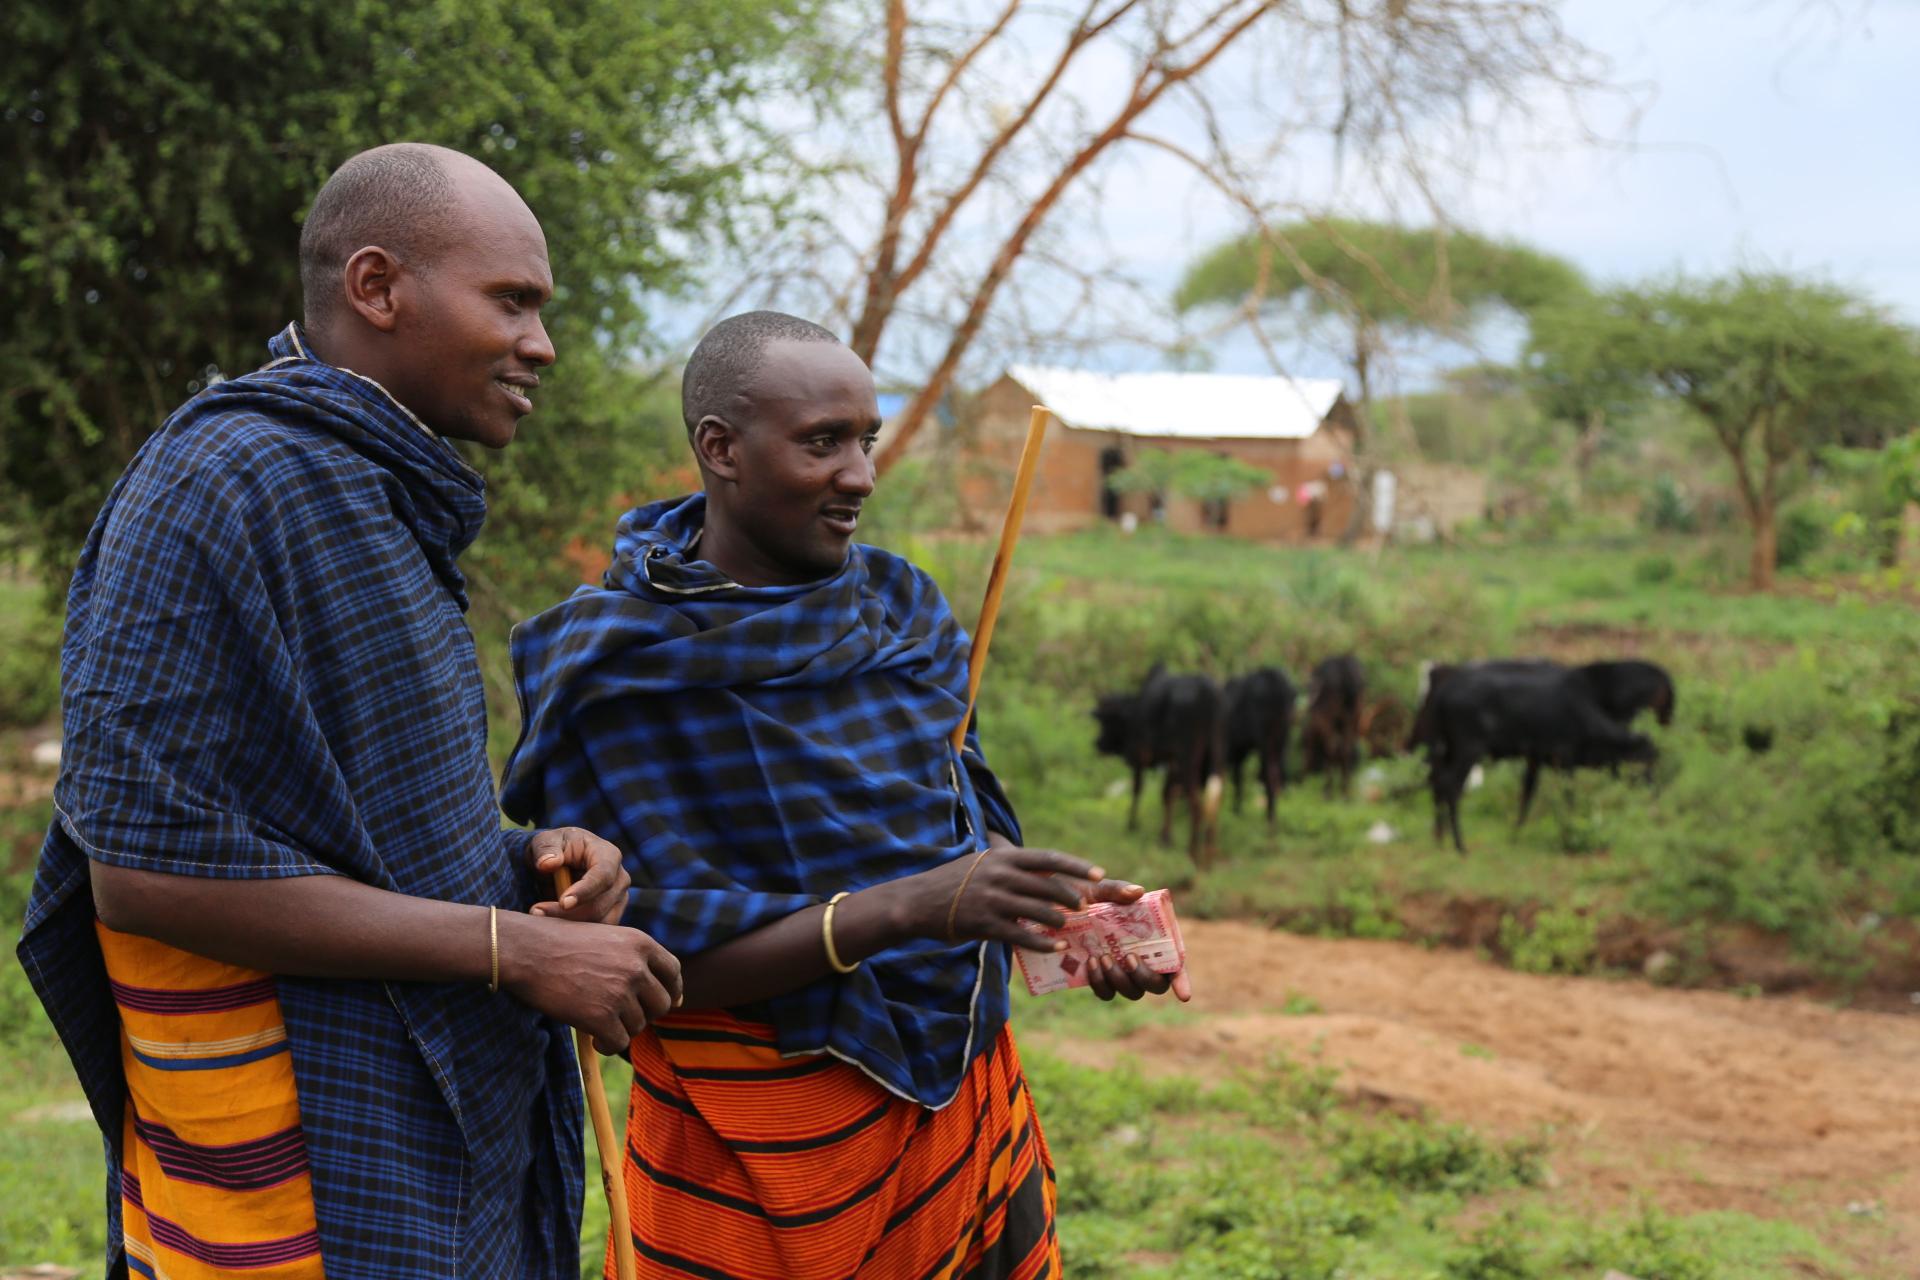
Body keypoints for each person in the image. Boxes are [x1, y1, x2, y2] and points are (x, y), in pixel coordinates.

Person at [16, 143, 682, 1280]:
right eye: (512, 300)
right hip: (291, 1183)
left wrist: (525, 862)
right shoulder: (218, 485)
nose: (542, 342)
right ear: (377, 288)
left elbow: (345, 829)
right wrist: (505, 943)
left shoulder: (371, 489)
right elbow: (140, 867)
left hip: (416, 1143)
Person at [501, 310, 1189, 1280]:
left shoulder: (901, 608)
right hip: (753, 1159)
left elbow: (961, 827)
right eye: (822, 441)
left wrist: (1057, 911)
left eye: (864, 439)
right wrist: (910, 907)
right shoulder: (616, 668)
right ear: (720, 448)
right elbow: (641, 972)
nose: (860, 474)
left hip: (966, 1114)